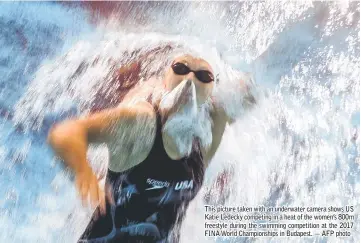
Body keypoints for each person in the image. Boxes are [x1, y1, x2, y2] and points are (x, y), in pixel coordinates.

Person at [48, 51, 256, 242]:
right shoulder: (141, 124)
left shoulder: (206, 133)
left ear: (209, 94)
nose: (190, 79)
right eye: (181, 69)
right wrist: (82, 170)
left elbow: (261, 81)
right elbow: (65, 133)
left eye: (204, 76)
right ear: (166, 81)